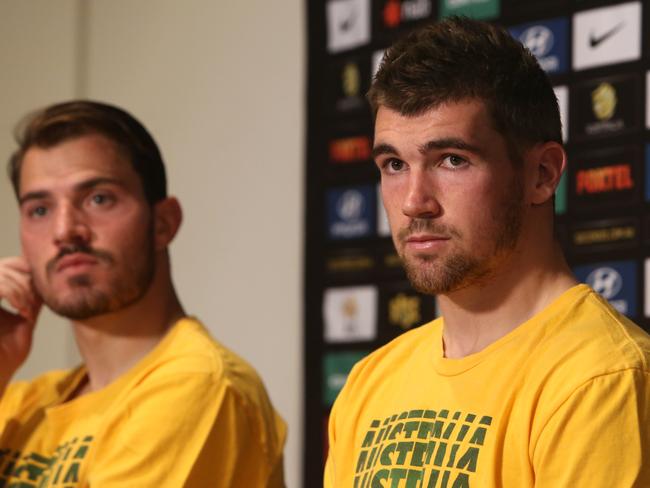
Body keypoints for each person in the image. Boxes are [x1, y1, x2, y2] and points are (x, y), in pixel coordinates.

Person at [325, 16, 650, 487]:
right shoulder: (369, 382)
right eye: (394, 164)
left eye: (451, 160)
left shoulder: (602, 380)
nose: (414, 200)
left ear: (541, 173)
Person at [0, 100, 286, 486]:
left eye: (98, 198)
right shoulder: (22, 402)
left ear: (163, 223)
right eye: (39, 209)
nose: (65, 230)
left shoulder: (198, 386)